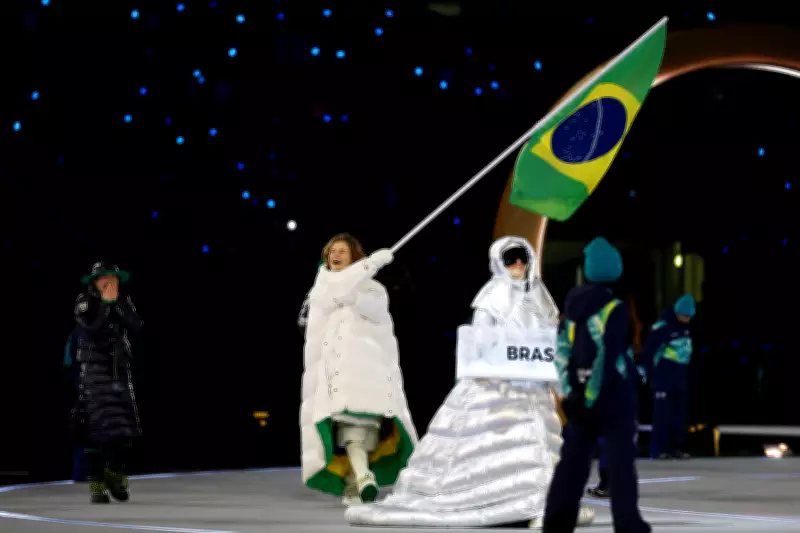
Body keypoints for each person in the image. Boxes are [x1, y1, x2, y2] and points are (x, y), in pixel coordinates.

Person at [345, 236, 594, 528]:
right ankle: (508, 501)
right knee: (500, 446)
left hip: (531, 387)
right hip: (497, 388)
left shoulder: (539, 295)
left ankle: (541, 502)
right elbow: (482, 341)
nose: (518, 265)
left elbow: (549, 341)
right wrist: (498, 366)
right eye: (511, 260)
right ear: (500, 263)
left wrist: (558, 381)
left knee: (536, 445)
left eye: (522, 259)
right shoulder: (492, 297)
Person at [300, 233, 418, 506]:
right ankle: (358, 481)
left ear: (354, 255)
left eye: (342, 250)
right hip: (333, 378)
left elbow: (352, 297)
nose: (335, 255)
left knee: (359, 433)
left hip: (364, 375)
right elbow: (319, 312)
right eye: (331, 252)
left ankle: (362, 478)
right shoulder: (320, 292)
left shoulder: (372, 289)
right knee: (348, 434)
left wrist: (368, 268)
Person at [542, 237, 650, 533]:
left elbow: (561, 349)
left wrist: (570, 392)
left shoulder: (573, 304)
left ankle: (557, 522)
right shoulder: (614, 308)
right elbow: (609, 354)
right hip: (612, 397)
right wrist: (593, 395)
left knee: (572, 466)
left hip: (578, 397)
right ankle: (628, 523)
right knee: (620, 464)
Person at [72, 261, 144, 504]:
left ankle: (114, 472)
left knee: (124, 429)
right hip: (93, 372)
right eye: (104, 278)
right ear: (94, 282)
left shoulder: (124, 301)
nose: (109, 282)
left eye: (113, 278)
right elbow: (92, 330)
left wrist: (118, 307)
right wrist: (105, 305)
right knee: (96, 429)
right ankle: (96, 482)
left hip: (119, 371)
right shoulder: (84, 302)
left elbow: (136, 325)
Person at [639, 293, 695, 459]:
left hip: (679, 379)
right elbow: (649, 351)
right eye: (685, 315)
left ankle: (675, 447)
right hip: (663, 379)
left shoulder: (685, 329)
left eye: (689, 316)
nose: (687, 319)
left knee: (678, 415)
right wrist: (644, 370)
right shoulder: (662, 328)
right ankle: (659, 449)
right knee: (662, 415)